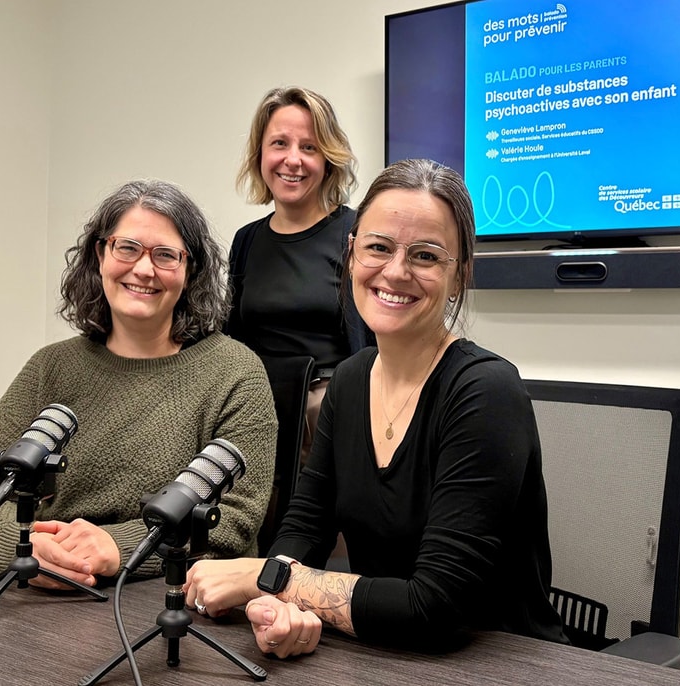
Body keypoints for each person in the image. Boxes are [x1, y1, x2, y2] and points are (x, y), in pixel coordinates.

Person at [183, 159, 568, 655]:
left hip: (496, 663)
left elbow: (436, 606)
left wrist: (269, 577)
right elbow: (305, 525)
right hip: (384, 652)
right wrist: (274, 608)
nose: (396, 271)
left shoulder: (487, 391)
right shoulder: (349, 379)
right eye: (378, 247)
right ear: (351, 254)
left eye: (426, 256)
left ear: (460, 274)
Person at [0, 179, 277, 588]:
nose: (143, 269)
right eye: (127, 248)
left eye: (165, 255)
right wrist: (23, 547)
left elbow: (236, 518)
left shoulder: (235, 373)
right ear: (101, 255)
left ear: (191, 271)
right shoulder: (49, 368)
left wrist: (120, 546)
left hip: (170, 604)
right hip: (41, 601)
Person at [227, 86, 374, 459]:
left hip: (327, 417)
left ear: (328, 159)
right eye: (279, 143)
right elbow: (232, 342)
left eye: (308, 147)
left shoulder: (357, 234)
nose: (292, 160)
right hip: (254, 418)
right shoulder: (245, 241)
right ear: (260, 154)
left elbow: (374, 348)